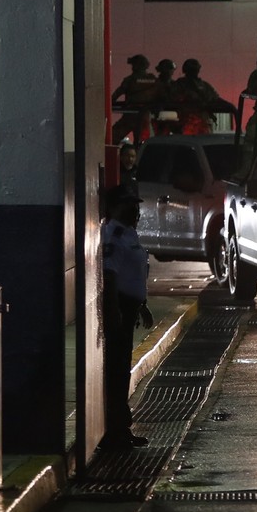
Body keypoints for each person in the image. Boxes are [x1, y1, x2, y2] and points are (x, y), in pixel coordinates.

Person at [101, 184, 154, 450]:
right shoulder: (114, 235)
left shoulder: (129, 233)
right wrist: (116, 311)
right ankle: (114, 431)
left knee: (122, 370)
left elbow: (133, 273)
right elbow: (109, 275)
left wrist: (141, 305)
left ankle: (121, 428)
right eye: (128, 206)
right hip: (120, 307)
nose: (135, 211)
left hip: (129, 306)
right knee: (116, 371)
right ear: (113, 208)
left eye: (136, 206)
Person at [171, 58, 231, 135]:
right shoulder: (180, 85)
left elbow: (215, 98)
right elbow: (174, 99)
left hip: (203, 122)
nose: (194, 72)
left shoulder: (204, 85)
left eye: (194, 69)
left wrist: (229, 106)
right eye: (191, 69)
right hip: (186, 122)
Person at [111, 54, 158, 144]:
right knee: (143, 142)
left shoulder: (130, 80)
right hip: (145, 116)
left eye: (133, 65)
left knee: (112, 137)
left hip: (130, 116)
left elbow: (117, 94)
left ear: (137, 66)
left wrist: (108, 104)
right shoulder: (153, 80)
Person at [151, 59, 180, 135]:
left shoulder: (175, 85)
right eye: (170, 69)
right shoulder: (154, 84)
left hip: (175, 116)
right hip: (160, 117)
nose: (171, 72)